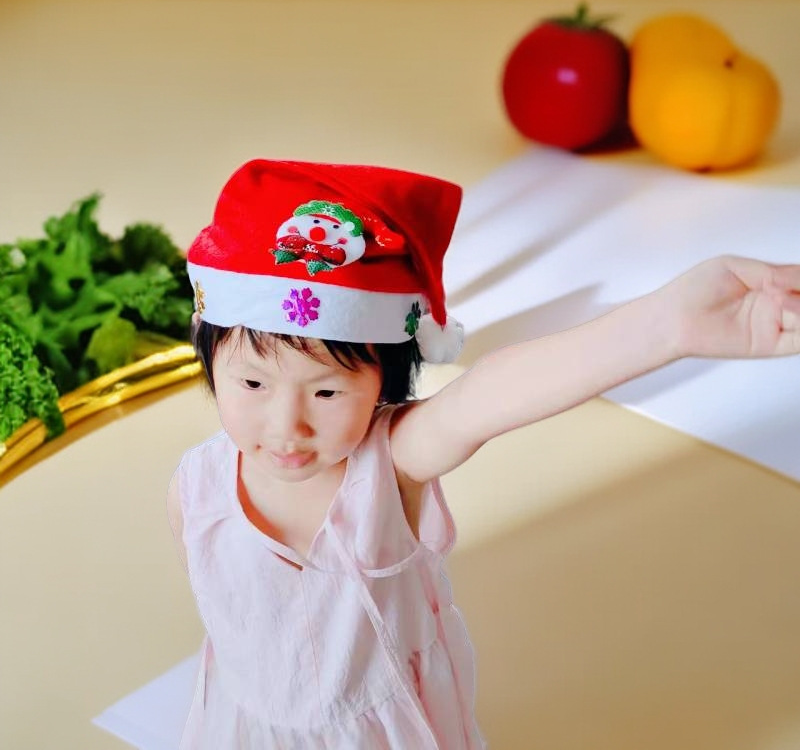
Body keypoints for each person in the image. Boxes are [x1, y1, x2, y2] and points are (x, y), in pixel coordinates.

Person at [167, 158, 800, 749]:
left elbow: (490, 394)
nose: (287, 426)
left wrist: (669, 324)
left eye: (328, 390)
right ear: (209, 356)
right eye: (253, 383)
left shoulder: (388, 468)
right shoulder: (198, 485)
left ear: (383, 383)